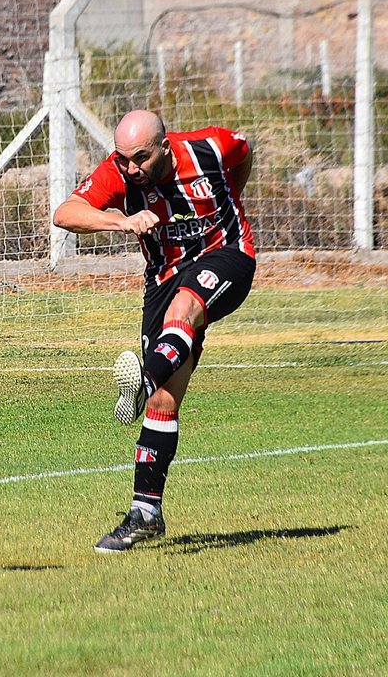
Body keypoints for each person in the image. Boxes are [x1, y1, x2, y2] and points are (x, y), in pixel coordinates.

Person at [53, 110, 255, 553]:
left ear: (164, 147)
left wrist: (233, 199)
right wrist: (121, 221)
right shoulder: (120, 174)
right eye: (124, 159)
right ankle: (146, 513)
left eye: (140, 158)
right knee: (165, 401)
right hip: (163, 277)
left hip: (228, 257)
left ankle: (143, 379)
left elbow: (244, 152)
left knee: (186, 309)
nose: (131, 168)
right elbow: (65, 213)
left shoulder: (210, 147)